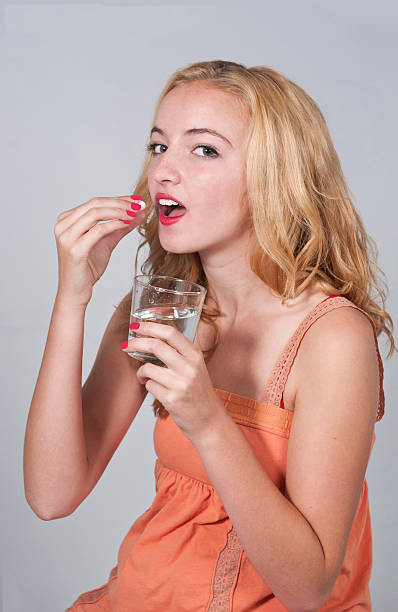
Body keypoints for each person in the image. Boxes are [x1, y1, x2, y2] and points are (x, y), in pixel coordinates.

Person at [23, 60, 396, 611]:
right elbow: (51, 496)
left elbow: (310, 586)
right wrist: (71, 298)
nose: (164, 172)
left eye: (204, 150)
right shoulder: (162, 306)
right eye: (159, 146)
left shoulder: (333, 338)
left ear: (275, 176)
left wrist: (206, 420)